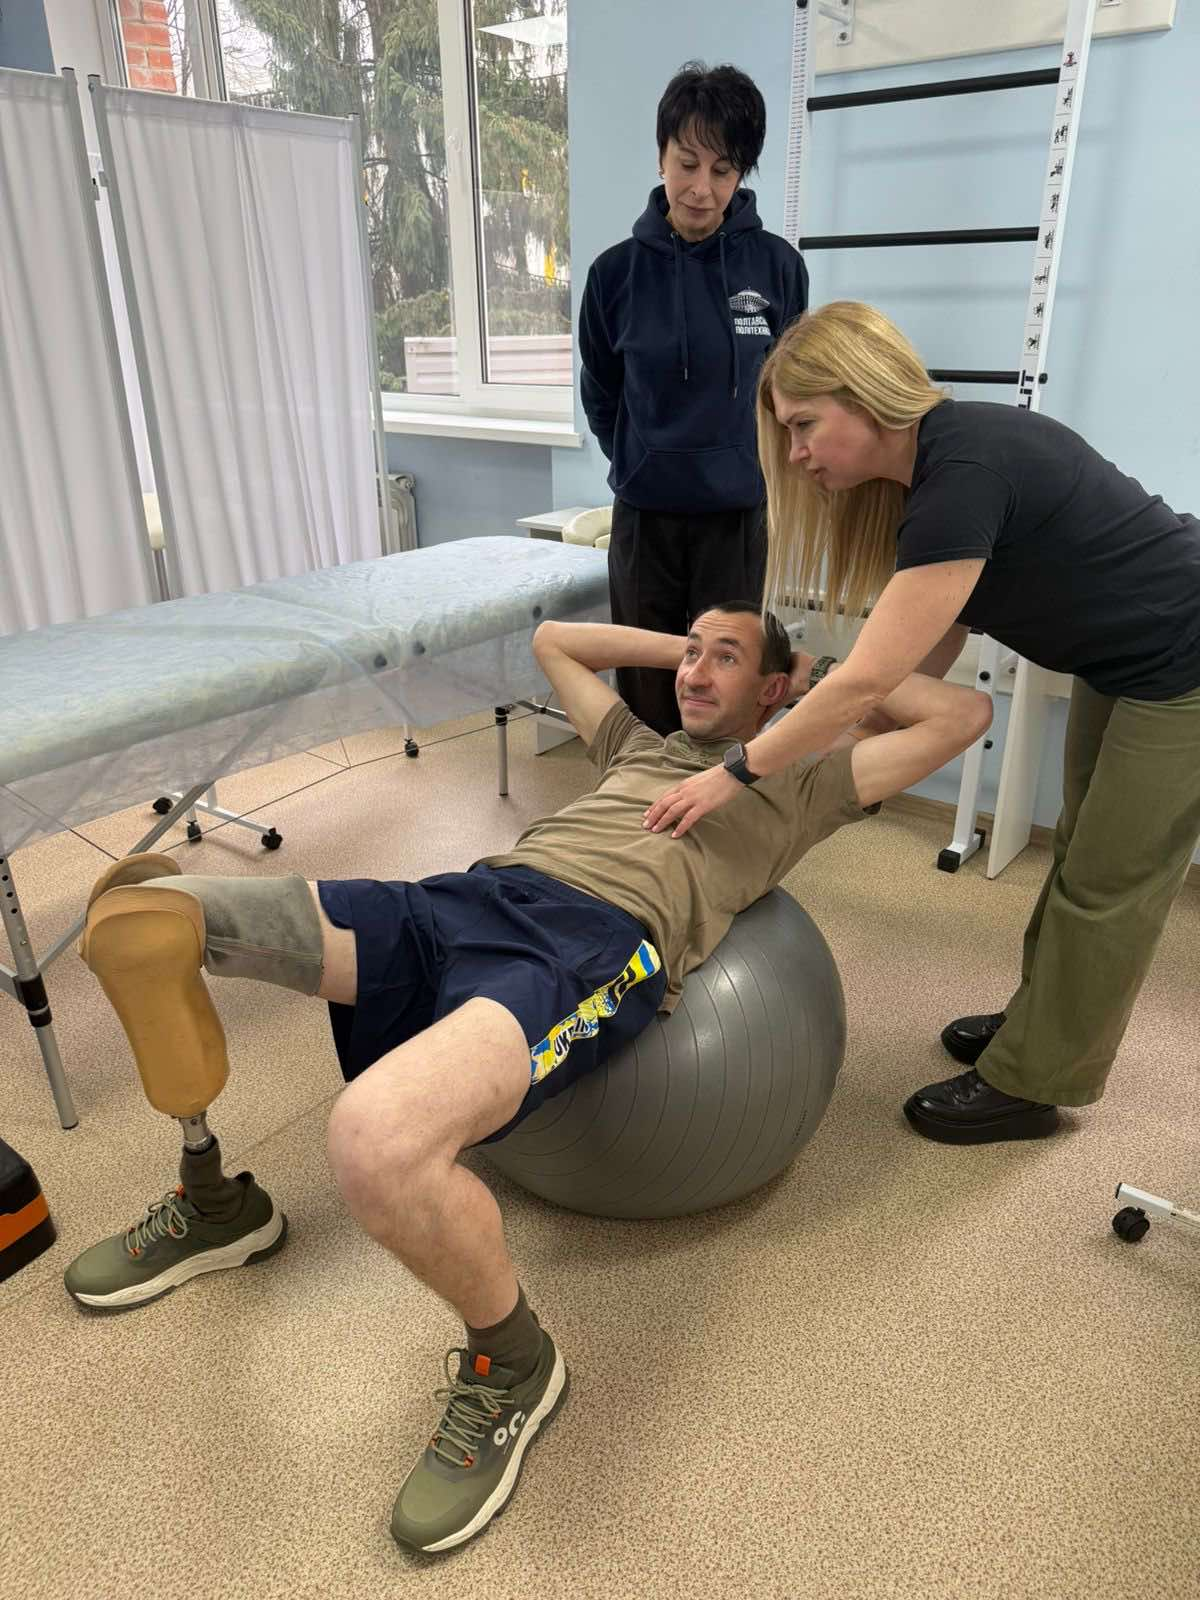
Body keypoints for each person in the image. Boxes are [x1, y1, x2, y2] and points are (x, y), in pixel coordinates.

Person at [64, 604, 989, 1552]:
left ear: (776, 688)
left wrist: (819, 681)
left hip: (585, 949)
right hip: (468, 897)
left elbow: (962, 714)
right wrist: (698, 655)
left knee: (376, 1143)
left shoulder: (809, 781)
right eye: (690, 655)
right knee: (142, 915)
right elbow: (555, 641)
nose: (694, 674)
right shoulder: (636, 744)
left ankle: (514, 1364)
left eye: (726, 660)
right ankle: (215, 1198)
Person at [643, 300, 1200, 1147]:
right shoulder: (934, 479)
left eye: (803, 425)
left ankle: (1033, 1083)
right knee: (1081, 852)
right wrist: (839, 762)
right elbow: (923, 655)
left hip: (1186, 658)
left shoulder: (966, 468)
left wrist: (737, 773)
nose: (794, 454)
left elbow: (866, 676)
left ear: (864, 396)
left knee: (1109, 883)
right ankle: (1040, 1023)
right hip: (1126, 659)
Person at [579, 61, 808, 734]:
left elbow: (791, 394)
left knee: (730, 691)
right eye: (686, 164)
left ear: (742, 175)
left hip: (736, 519)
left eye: (722, 170)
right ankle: (645, 798)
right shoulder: (613, 275)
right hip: (645, 519)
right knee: (647, 686)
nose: (701, 188)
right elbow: (602, 393)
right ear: (661, 157)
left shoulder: (778, 268)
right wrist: (640, 457)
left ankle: (721, 799)